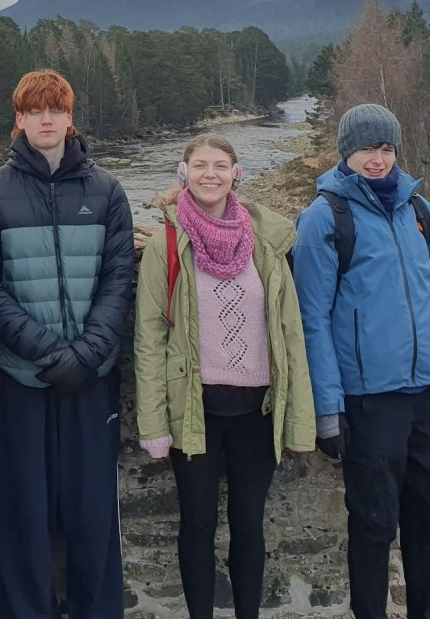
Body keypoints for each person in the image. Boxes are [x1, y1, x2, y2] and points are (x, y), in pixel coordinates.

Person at [291, 103, 430, 619]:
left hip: (427, 398)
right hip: (369, 402)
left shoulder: (421, 212)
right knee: (373, 527)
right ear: (347, 151)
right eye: (368, 148)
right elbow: (313, 320)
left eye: (387, 148)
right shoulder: (325, 218)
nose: (378, 159)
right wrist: (328, 410)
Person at [0, 69, 134, 619]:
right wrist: (45, 351)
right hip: (21, 379)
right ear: (19, 119)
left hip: (92, 378)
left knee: (93, 516)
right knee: (22, 519)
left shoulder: (107, 191)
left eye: (54, 109)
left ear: (69, 116)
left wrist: (85, 354)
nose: (45, 119)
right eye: (34, 110)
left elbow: (119, 279)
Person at [134, 134, 315, 619]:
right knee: (196, 524)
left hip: (257, 410)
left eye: (219, 165)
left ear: (237, 174)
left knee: (249, 525)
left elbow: (290, 334)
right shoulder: (168, 243)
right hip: (195, 407)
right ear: (184, 173)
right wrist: (154, 425)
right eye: (199, 165)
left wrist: (301, 417)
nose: (209, 174)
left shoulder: (267, 242)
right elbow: (149, 340)